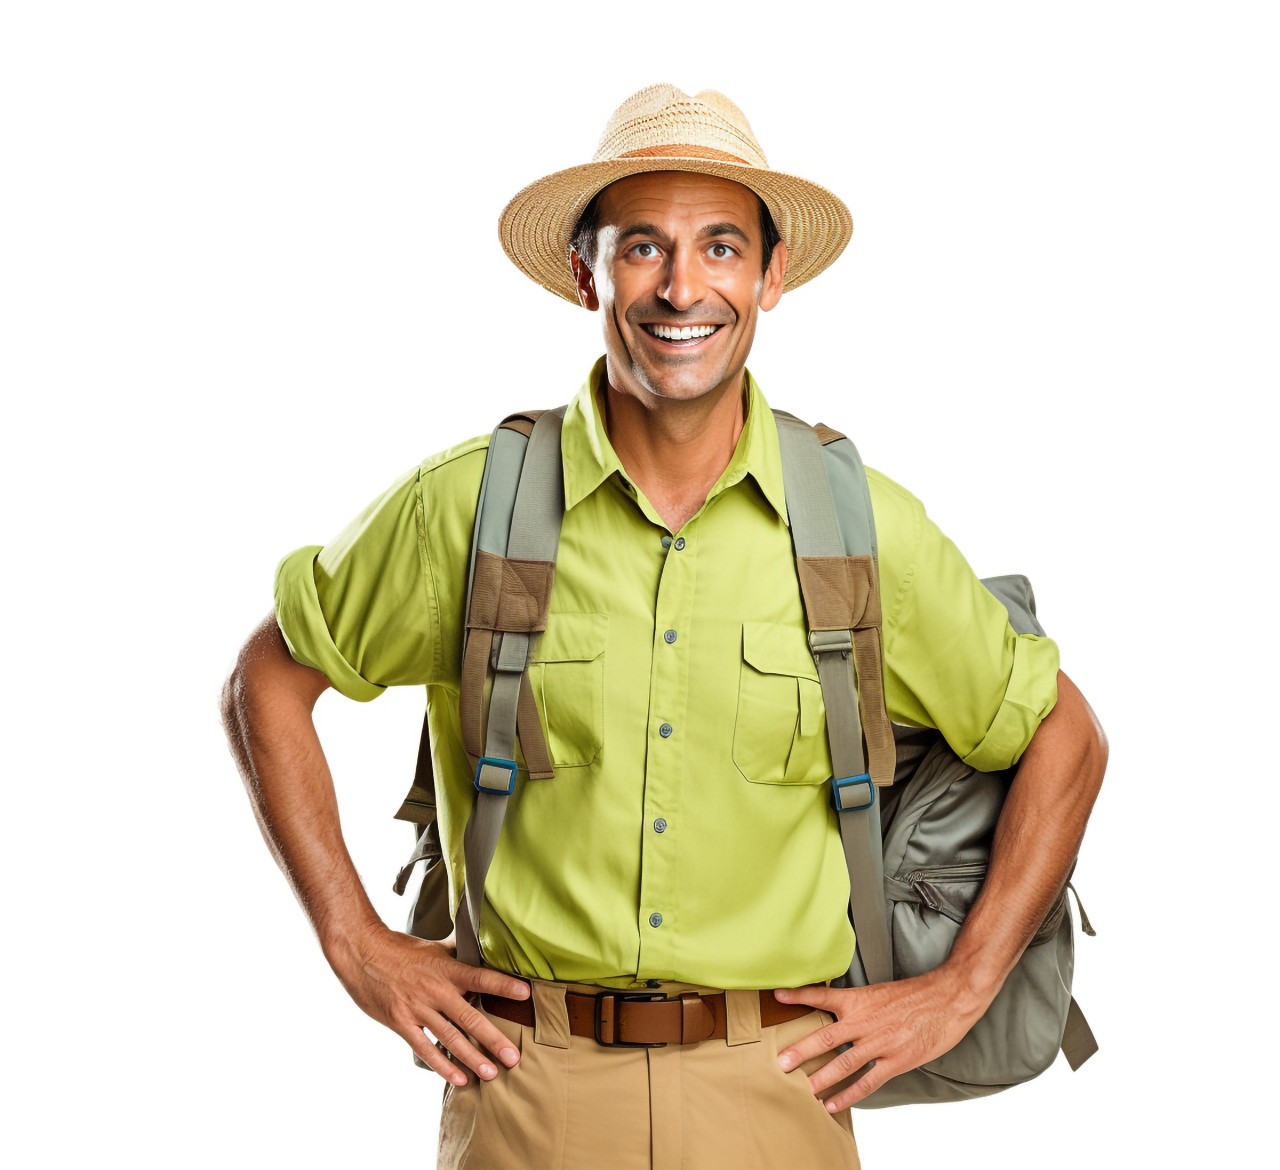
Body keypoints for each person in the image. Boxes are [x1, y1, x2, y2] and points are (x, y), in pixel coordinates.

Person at [221, 84, 1107, 1170]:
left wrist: (959, 990)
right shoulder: (472, 507)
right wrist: (354, 943)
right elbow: (267, 678)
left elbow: (1061, 733)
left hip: (779, 1087)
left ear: (769, 277)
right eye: (641, 248)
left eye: (720, 247)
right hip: (525, 1089)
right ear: (585, 275)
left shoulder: (854, 527)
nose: (682, 286)